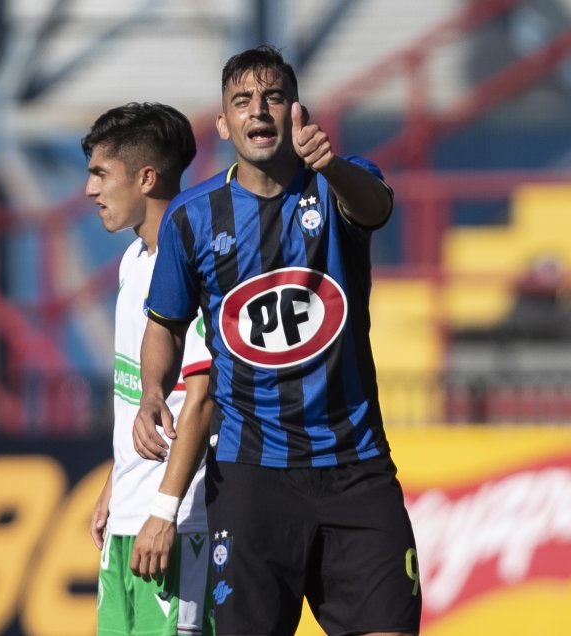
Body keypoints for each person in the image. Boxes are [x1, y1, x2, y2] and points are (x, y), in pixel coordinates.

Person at [134, 45, 422, 636]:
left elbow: (375, 209)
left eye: (273, 97)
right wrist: (150, 391)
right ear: (223, 123)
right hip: (251, 476)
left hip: (356, 466)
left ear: (297, 110)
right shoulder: (192, 217)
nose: (258, 111)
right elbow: (163, 323)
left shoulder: (344, 183)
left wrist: (332, 166)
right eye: (242, 101)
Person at [83, 102, 215, 636]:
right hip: (127, 527)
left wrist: (164, 511)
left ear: (146, 177)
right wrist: (116, 484)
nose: (89, 190)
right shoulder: (132, 261)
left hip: (179, 528)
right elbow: (143, 391)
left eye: (100, 173)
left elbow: (202, 401)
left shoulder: (199, 264)